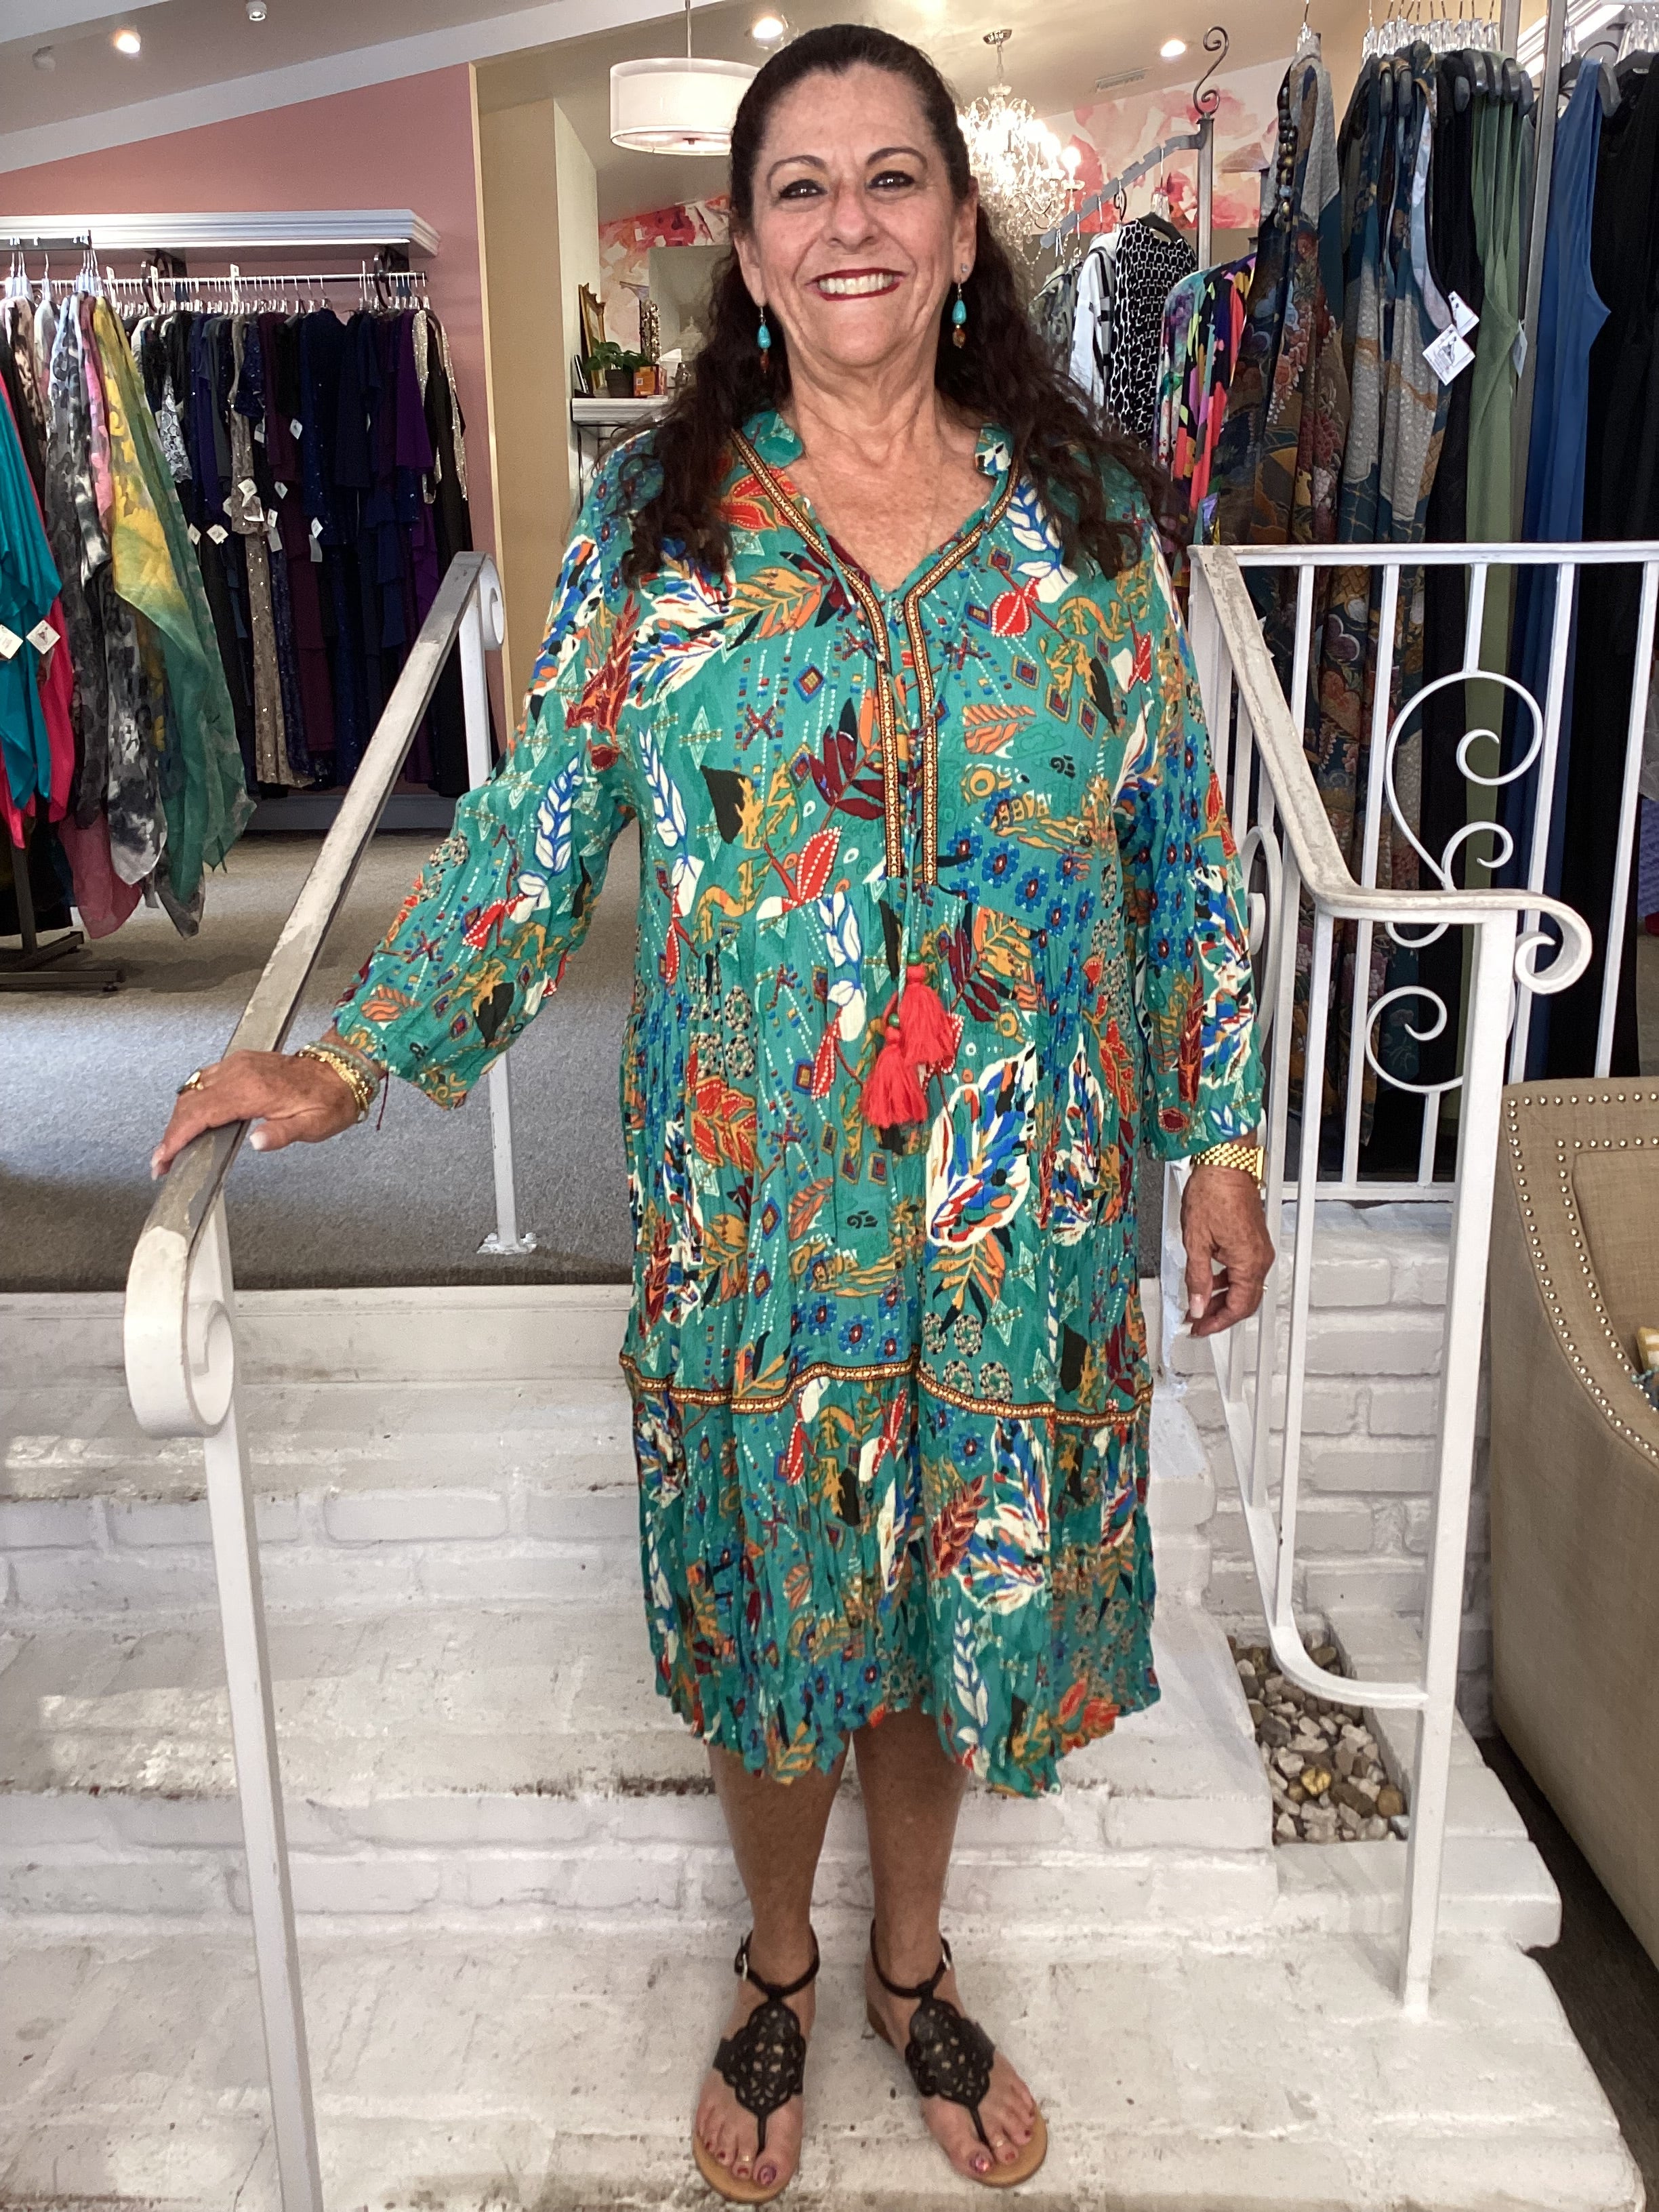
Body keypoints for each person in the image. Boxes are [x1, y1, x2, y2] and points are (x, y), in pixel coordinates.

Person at [153, 24, 1273, 2203]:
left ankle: (912, 1966)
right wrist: (354, 1055)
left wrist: (1217, 1135)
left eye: (891, 179)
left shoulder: (1089, 534)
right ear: (749, 255)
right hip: (758, 1221)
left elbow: (1179, 860)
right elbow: (530, 840)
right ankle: (780, 1966)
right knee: (782, 1623)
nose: (850, 224)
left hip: (1015, 1222)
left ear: (961, 230)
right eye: (800, 190)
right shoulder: (663, 538)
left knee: (953, 1598)